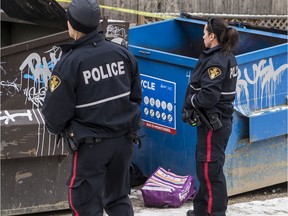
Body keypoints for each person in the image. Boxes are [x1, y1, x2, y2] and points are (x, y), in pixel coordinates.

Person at [42, 0, 142, 215]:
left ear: (72, 25)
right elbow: (135, 96)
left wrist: (61, 129)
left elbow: (54, 113)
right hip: (123, 141)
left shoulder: (69, 63)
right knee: (118, 199)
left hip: (91, 147)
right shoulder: (122, 54)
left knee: (84, 203)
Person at [182, 17, 239, 216]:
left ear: (213, 36)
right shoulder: (224, 54)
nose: (202, 36)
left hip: (213, 124)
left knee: (211, 171)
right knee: (205, 169)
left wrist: (192, 103)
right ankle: (201, 210)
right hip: (216, 123)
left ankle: (215, 213)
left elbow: (209, 95)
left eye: (205, 32)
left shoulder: (217, 61)